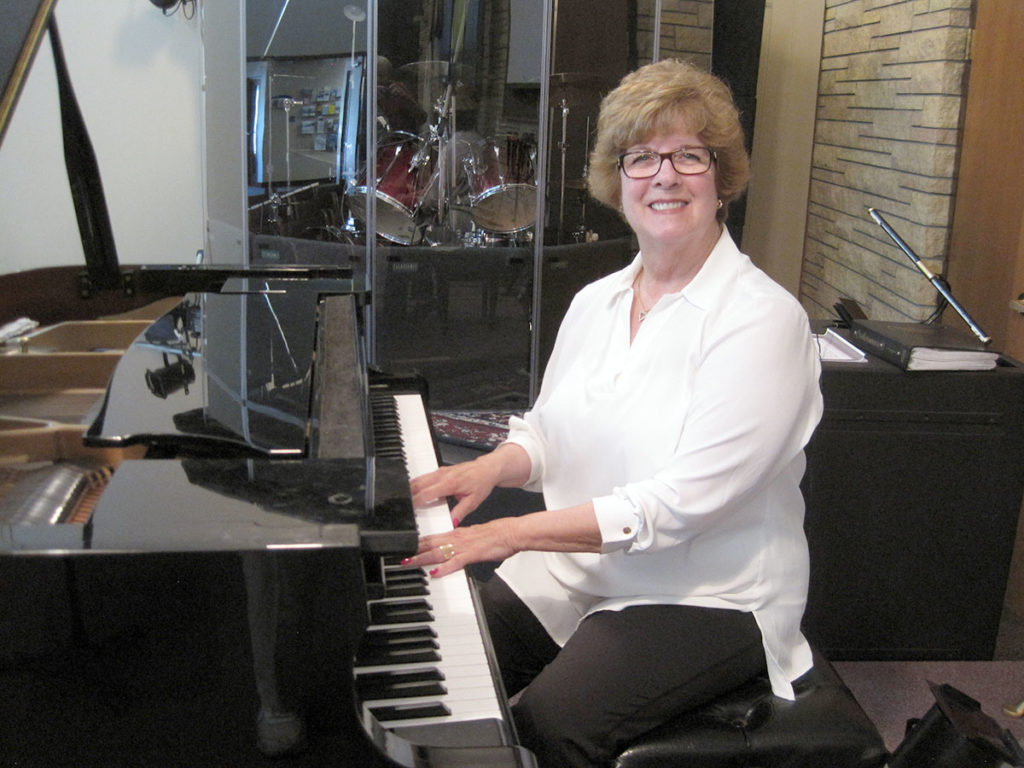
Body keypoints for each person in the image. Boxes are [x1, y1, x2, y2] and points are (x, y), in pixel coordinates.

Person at [405, 58, 824, 768]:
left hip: (707, 592)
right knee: (445, 658)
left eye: (689, 155)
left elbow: (678, 506)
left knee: (552, 721)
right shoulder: (595, 300)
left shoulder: (762, 320)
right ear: (617, 179)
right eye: (642, 157)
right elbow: (550, 430)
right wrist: (493, 467)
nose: (664, 176)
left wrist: (513, 532)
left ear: (721, 179)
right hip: (582, 568)